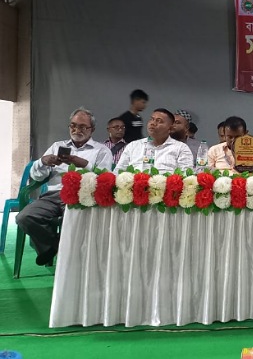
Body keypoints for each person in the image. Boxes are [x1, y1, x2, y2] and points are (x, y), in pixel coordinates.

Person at [17, 107, 113, 265]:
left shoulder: (101, 150)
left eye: (82, 127)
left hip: (82, 197)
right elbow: (37, 177)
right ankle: (54, 245)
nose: (77, 130)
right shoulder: (57, 146)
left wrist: (84, 164)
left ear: (92, 129)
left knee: (72, 223)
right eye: (73, 125)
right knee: (24, 217)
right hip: (53, 195)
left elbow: (106, 179)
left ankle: (70, 262)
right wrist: (42, 162)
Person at [115, 108, 194, 173]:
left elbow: (186, 176)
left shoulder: (181, 148)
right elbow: (118, 172)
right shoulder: (133, 146)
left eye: (159, 121)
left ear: (170, 128)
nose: (153, 123)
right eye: (152, 119)